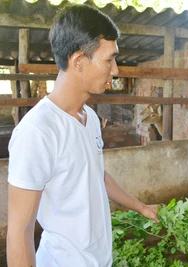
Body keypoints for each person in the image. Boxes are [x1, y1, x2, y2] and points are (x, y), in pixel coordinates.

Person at [7, 4, 159, 267]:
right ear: (78, 61)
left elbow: (95, 174)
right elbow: (20, 233)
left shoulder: (89, 118)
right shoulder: (38, 131)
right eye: (109, 60)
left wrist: (141, 207)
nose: (116, 71)